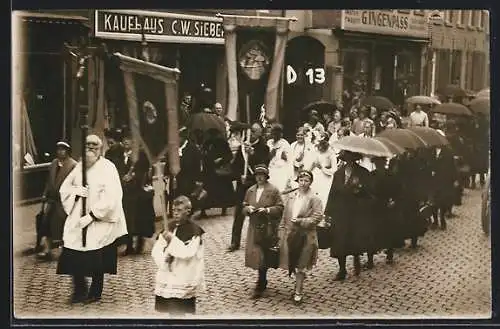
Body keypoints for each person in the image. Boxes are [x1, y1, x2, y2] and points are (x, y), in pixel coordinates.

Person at [57, 134, 128, 304]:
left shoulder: (108, 168)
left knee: (97, 254)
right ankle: (79, 290)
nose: (90, 148)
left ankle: (96, 291)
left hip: (99, 220)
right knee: (72, 247)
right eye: (87, 145)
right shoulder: (79, 166)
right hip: (78, 217)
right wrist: (76, 192)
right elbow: (64, 188)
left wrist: (92, 215)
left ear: (101, 149)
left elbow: (113, 196)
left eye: (94, 145)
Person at [324, 151, 375, 280]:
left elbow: (370, 193)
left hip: (356, 212)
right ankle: (342, 270)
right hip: (340, 212)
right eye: (347, 158)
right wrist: (328, 212)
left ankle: (357, 259)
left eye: (352, 158)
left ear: (356, 158)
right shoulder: (338, 174)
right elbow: (333, 193)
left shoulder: (363, 173)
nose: (349, 160)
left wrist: (359, 189)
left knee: (355, 238)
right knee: (340, 240)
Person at [151, 196, 205, 315]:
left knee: (179, 311)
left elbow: (188, 253)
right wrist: (165, 257)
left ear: (188, 211)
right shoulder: (169, 227)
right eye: (174, 210)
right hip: (168, 276)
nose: (175, 213)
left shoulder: (194, 231)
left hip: (183, 275)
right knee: (171, 310)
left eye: (179, 210)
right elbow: (156, 250)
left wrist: (172, 240)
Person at [27, 141, 77, 260]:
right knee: (47, 225)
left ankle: (67, 251)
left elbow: (76, 184)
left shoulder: (73, 165)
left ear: (68, 151)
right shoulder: (54, 163)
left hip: (64, 202)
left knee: (63, 227)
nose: (60, 152)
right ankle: (47, 250)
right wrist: (45, 195)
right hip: (51, 200)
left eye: (63, 149)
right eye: (59, 149)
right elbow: (49, 181)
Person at [278, 170, 322, 304]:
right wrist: (281, 232)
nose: (303, 183)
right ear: (298, 181)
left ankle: (298, 292)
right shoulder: (291, 197)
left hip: (306, 236)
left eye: (306, 181)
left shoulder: (314, 198)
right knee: (293, 260)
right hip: (291, 235)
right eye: (301, 180)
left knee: (301, 265)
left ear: (311, 182)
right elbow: (284, 216)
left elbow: (317, 217)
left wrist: (302, 221)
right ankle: (299, 279)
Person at [242, 164, 284, 298]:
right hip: (254, 227)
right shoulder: (250, 190)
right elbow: (243, 206)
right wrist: (247, 209)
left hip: (267, 227)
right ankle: (262, 279)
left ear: (266, 176)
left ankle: (261, 282)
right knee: (256, 254)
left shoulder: (273, 190)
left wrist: (267, 210)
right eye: (257, 175)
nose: (259, 178)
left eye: (262, 175)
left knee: (264, 254)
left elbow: (280, 207)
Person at [227, 123, 270, 252]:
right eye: (251, 131)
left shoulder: (264, 148)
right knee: (239, 213)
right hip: (242, 185)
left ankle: (258, 240)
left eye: (255, 131)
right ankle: (235, 242)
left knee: (257, 213)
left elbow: (264, 166)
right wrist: (239, 176)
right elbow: (234, 166)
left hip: (256, 184)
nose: (252, 134)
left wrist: (253, 155)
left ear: (260, 134)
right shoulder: (242, 148)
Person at [201, 128, 235, 217]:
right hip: (209, 171)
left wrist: (221, 159)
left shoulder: (222, 143)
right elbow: (204, 156)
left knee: (223, 191)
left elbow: (229, 155)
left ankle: (224, 208)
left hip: (220, 171)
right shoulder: (206, 143)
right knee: (207, 191)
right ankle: (203, 210)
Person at [430, 145, 459, 230]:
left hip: (444, 181)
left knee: (442, 201)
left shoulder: (448, 152)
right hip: (433, 181)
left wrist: (455, 179)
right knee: (433, 203)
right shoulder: (430, 151)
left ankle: (442, 220)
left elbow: (452, 166)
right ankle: (435, 221)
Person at [308, 135, 337, 211]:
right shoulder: (317, 151)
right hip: (316, 176)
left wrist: (322, 168)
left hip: (326, 178)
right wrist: (308, 172)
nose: (320, 149)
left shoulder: (331, 154)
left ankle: (321, 211)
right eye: (319, 147)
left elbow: (334, 170)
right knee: (313, 192)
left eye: (322, 148)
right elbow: (314, 163)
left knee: (323, 195)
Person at [267, 123, 293, 193]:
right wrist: (271, 154)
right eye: (273, 133)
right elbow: (266, 157)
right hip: (271, 170)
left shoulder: (285, 144)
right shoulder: (269, 143)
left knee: (279, 191)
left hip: (281, 172)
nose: (274, 136)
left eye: (277, 134)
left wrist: (285, 157)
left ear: (280, 134)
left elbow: (289, 160)